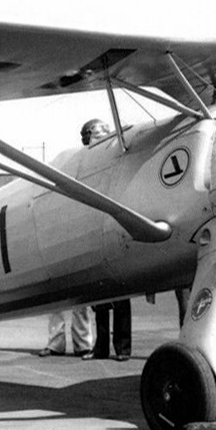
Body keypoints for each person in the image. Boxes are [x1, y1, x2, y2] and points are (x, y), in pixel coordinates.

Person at [79, 117, 131, 362]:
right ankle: (102, 349)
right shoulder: (87, 166)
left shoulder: (116, 162)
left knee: (120, 298)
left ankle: (122, 348)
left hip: (115, 230)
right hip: (96, 233)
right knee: (100, 301)